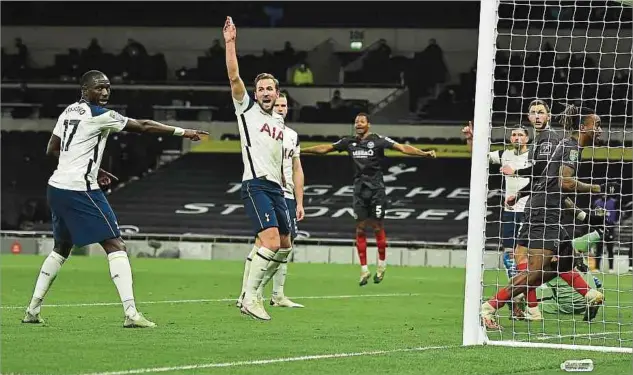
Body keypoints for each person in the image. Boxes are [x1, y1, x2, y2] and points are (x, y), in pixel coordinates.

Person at [22, 70, 207, 328]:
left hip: (56, 187)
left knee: (61, 249)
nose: (105, 92)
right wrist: (183, 132)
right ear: (85, 90)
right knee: (115, 244)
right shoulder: (101, 115)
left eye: (108, 87)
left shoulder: (68, 112)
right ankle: (131, 314)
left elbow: (52, 149)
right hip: (80, 190)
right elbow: (143, 126)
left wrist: (94, 169)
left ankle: (32, 310)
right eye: (99, 88)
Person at [481, 104, 619, 330]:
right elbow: (564, 182)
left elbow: (545, 181)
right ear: (584, 127)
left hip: (546, 209)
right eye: (597, 125)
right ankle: (490, 307)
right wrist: (598, 188)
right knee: (535, 271)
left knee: (563, 262)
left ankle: (589, 294)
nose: (601, 130)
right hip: (544, 213)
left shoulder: (566, 145)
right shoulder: (571, 148)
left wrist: (521, 194)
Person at [302, 113, 436, 285]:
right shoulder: (348, 142)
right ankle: (364, 270)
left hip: (376, 189)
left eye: (362, 121)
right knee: (359, 228)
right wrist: (301, 150)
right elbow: (325, 148)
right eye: (356, 122)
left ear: (368, 125)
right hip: (359, 190)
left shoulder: (378, 140)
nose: (358, 124)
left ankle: (381, 265)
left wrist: (423, 154)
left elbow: (402, 148)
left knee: (377, 226)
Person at [224, 16, 293, 321]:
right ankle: (251, 297)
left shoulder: (279, 122)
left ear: (278, 95)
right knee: (271, 240)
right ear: (255, 93)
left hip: (277, 189)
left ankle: (248, 293)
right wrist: (230, 43)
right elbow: (234, 77)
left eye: (270, 89)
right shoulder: (247, 110)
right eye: (261, 88)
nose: (266, 92)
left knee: (285, 246)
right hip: (255, 184)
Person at [238, 93, 306, 309]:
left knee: (286, 244)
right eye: (278, 104)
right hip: (269, 189)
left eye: (285, 105)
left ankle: (276, 294)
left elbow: (297, 169)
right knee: (265, 243)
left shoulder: (292, 135)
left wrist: (300, 200)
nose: (281, 108)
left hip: (286, 194)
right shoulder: (262, 128)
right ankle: (249, 293)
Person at [463, 124, 531, 319]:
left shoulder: (534, 155)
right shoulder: (504, 154)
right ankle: (517, 299)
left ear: (527, 139)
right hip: (511, 211)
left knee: (531, 258)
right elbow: (479, 156)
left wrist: (515, 171)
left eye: (520, 134)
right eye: (514, 134)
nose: (516, 137)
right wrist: (471, 139)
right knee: (509, 255)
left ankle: (526, 300)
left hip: (530, 211)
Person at [592, 195, 619, 273]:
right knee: (598, 249)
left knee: (610, 249)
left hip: (610, 229)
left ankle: (611, 268)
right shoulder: (597, 202)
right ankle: (596, 268)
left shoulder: (614, 202)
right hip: (599, 228)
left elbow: (618, 213)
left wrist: (614, 222)